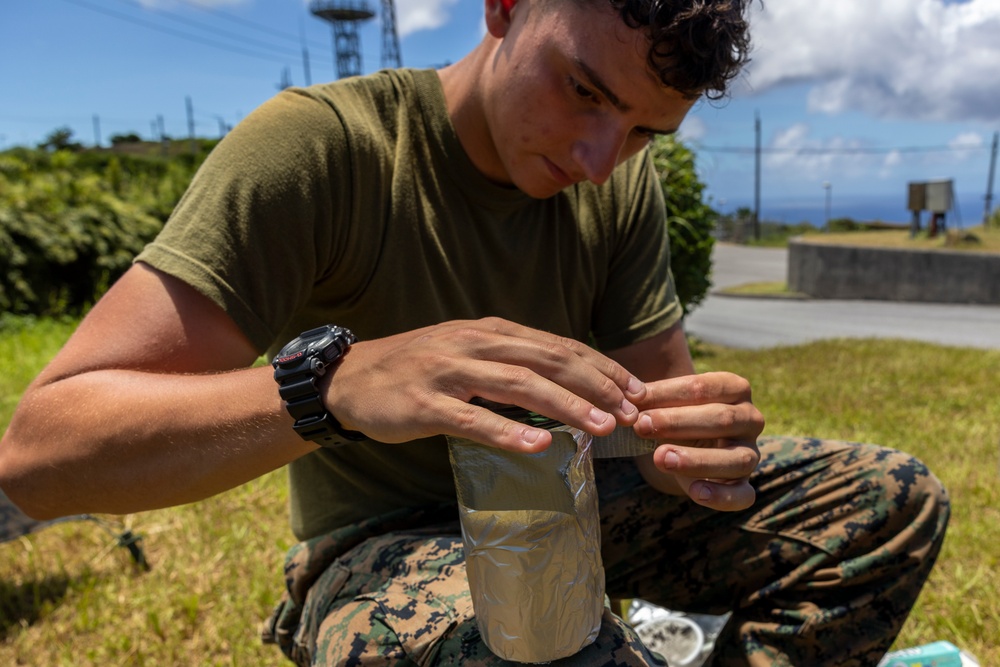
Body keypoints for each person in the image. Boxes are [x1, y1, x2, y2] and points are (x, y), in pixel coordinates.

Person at [0, 0, 949, 665]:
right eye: (583, 90)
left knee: (895, 498)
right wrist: (330, 387)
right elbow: (45, 453)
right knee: (541, 648)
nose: (597, 160)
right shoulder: (324, 149)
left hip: (580, 508)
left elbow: (651, 429)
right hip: (382, 546)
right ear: (501, 6)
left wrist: (691, 446)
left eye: (644, 132)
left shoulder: (618, 180)